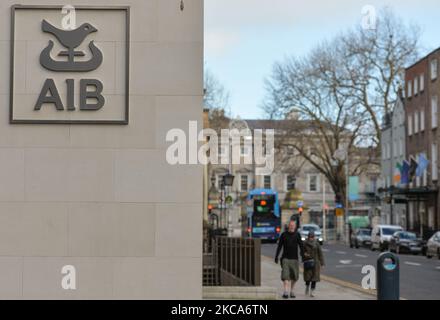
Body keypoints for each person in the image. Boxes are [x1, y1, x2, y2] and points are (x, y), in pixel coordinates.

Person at [274, 219, 304, 299]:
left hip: (294, 259)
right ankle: (285, 292)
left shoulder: (297, 235)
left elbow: (301, 246)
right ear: (288, 226)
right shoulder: (283, 235)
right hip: (285, 258)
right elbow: (279, 246)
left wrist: (303, 256)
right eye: (290, 225)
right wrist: (276, 256)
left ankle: (292, 291)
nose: (291, 227)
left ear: (295, 226)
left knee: (295, 277)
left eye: (293, 225)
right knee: (285, 276)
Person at [303, 230, 325, 297]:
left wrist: (322, 263)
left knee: (314, 278)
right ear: (308, 237)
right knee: (308, 277)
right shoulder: (305, 243)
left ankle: (312, 291)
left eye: (312, 237)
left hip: (316, 263)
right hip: (308, 262)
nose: (311, 238)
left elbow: (320, 253)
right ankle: (307, 286)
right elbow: (302, 252)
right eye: (310, 237)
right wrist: (305, 254)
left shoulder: (316, 243)